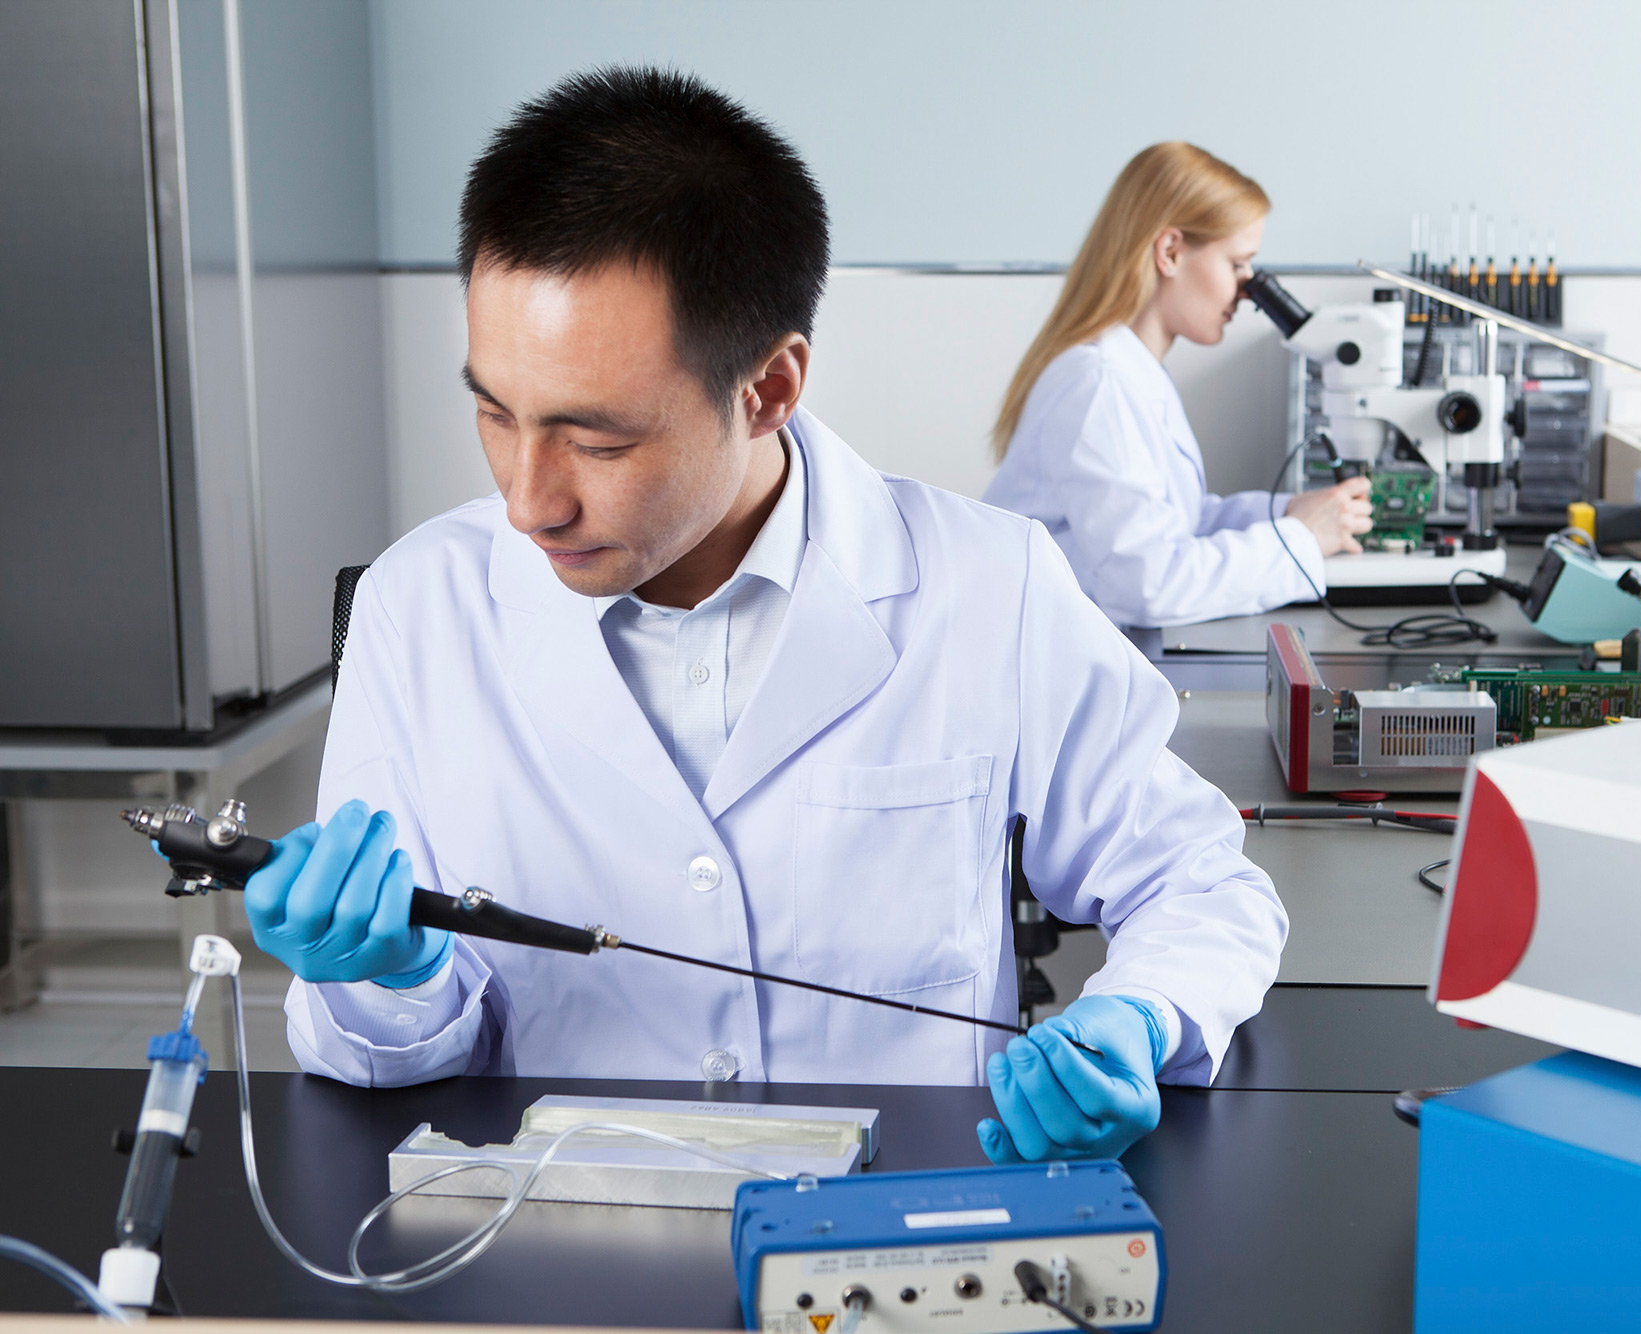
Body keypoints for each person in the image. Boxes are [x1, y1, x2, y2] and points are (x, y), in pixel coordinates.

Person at [246, 69, 1285, 1166]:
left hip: (903, 1245)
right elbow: (381, 1061)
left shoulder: (988, 584)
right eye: (496, 413)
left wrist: (1135, 1016)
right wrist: (380, 974)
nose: (527, 498)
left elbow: (1199, 880)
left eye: (597, 440)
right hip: (553, 1246)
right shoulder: (421, 606)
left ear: (769, 388)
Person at [981, 143, 1375, 628]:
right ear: (1170, 252)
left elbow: (1179, 524)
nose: (1248, 290)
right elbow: (1149, 585)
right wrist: (1299, 540)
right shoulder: (1097, 384)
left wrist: (1288, 512)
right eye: (1236, 264)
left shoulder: (1132, 372)